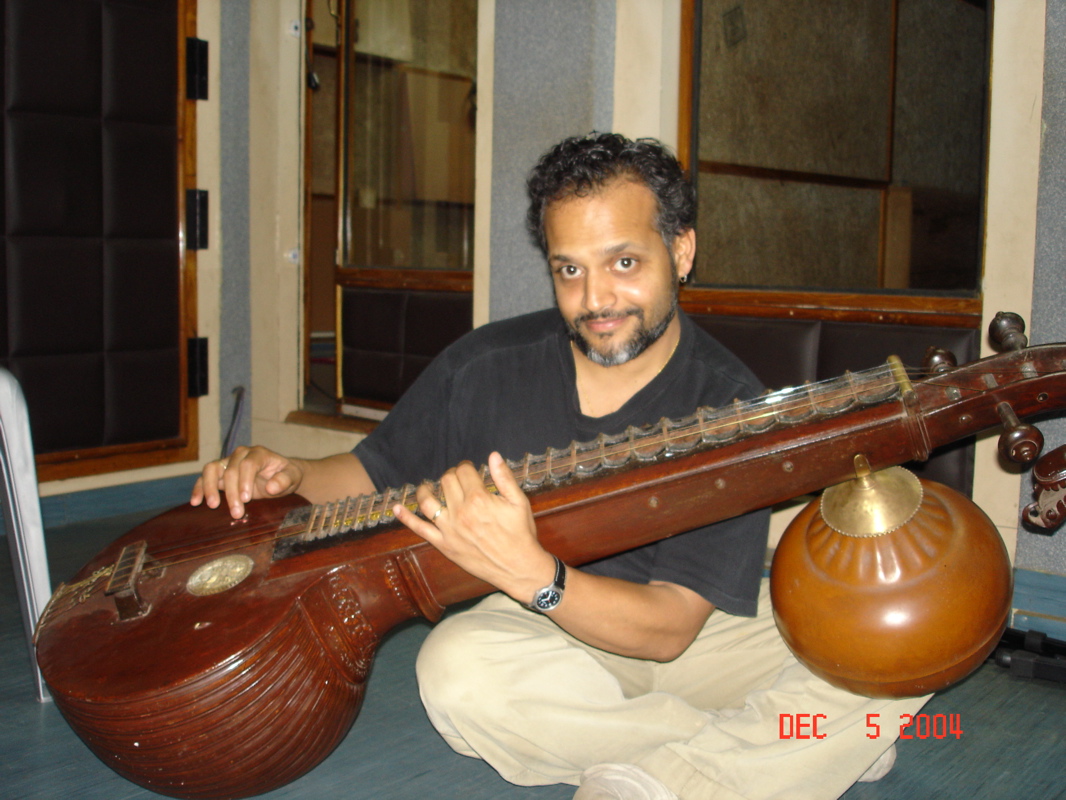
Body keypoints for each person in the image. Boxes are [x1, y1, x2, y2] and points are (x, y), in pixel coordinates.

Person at [192, 133, 927, 800]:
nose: (596, 299)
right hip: (554, 635)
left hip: (695, 629)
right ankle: (775, 752)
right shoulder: (485, 365)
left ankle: (697, 771)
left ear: (683, 252)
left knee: (904, 645)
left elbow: (671, 628)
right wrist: (286, 471)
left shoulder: (728, 405)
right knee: (454, 673)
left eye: (625, 263)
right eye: (568, 270)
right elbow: (368, 469)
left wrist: (533, 575)